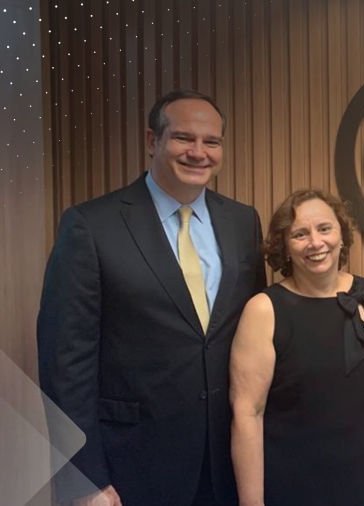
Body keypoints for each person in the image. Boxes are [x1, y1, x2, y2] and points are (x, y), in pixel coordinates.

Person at [37, 90, 267, 506]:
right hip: (131, 468)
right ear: (152, 140)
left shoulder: (242, 222)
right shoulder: (91, 225)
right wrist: (84, 480)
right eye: (183, 138)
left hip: (227, 464)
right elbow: (65, 363)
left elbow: (255, 340)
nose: (198, 152)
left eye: (211, 142)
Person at [230, 189, 364, 506]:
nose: (315, 242)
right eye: (300, 234)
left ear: (341, 234)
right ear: (285, 247)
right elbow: (248, 413)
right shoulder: (264, 310)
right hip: (294, 480)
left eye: (324, 228)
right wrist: (251, 503)